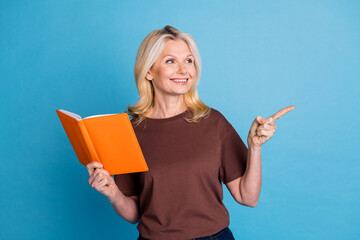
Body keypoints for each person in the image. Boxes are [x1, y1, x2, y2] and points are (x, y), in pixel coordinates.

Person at [86, 25, 295, 240]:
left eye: (188, 60)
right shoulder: (130, 132)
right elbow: (134, 214)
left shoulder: (213, 122)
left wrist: (255, 148)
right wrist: (112, 193)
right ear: (148, 71)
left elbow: (248, 197)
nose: (183, 70)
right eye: (170, 61)